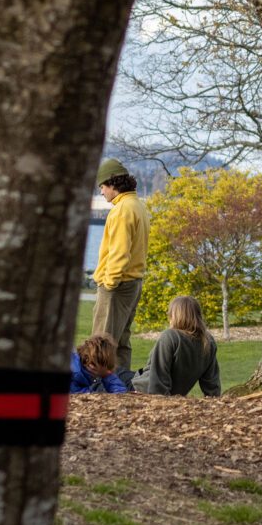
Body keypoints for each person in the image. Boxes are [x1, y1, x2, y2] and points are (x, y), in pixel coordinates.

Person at [91, 157, 150, 374]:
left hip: (118, 285)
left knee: (101, 341)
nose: (102, 192)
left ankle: (98, 386)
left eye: (103, 187)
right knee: (122, 340)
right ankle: (122, 383)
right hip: (133, 282)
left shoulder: (122, 210)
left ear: (113, 184)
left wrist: (109, 283)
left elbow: (119, 251)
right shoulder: (138, 206)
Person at [133, 296, 221, 396]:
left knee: (118, 373)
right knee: (122, 373)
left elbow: (158, 377)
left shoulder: (171, 336)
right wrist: (214, 398)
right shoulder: (208, 341)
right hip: (160, 387)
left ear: (175, 315)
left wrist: (158, 401)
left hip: (143, 388)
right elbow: (212, 384)